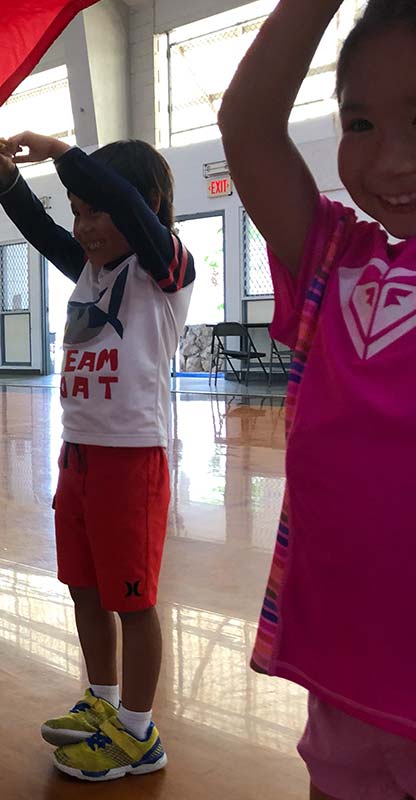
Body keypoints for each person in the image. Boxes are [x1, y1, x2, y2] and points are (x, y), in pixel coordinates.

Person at [218, 2, 416, 798]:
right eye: (360, 122)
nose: (392, 158)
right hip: (347, 681)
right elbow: (249, 124)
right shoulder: (338, 259)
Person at [0, 131, 194, 781]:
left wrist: (58, 148)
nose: (84, 224)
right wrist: (8, 178)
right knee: (84, 587)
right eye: (78, 208)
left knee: (133, 599)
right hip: (79, 457)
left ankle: (138, 731)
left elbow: (122, 204)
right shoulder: (93, 270)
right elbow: (45, 233)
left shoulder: (165, 269)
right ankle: (102, 704)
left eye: (93, 209)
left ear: (147, 205)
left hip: (132, 462)